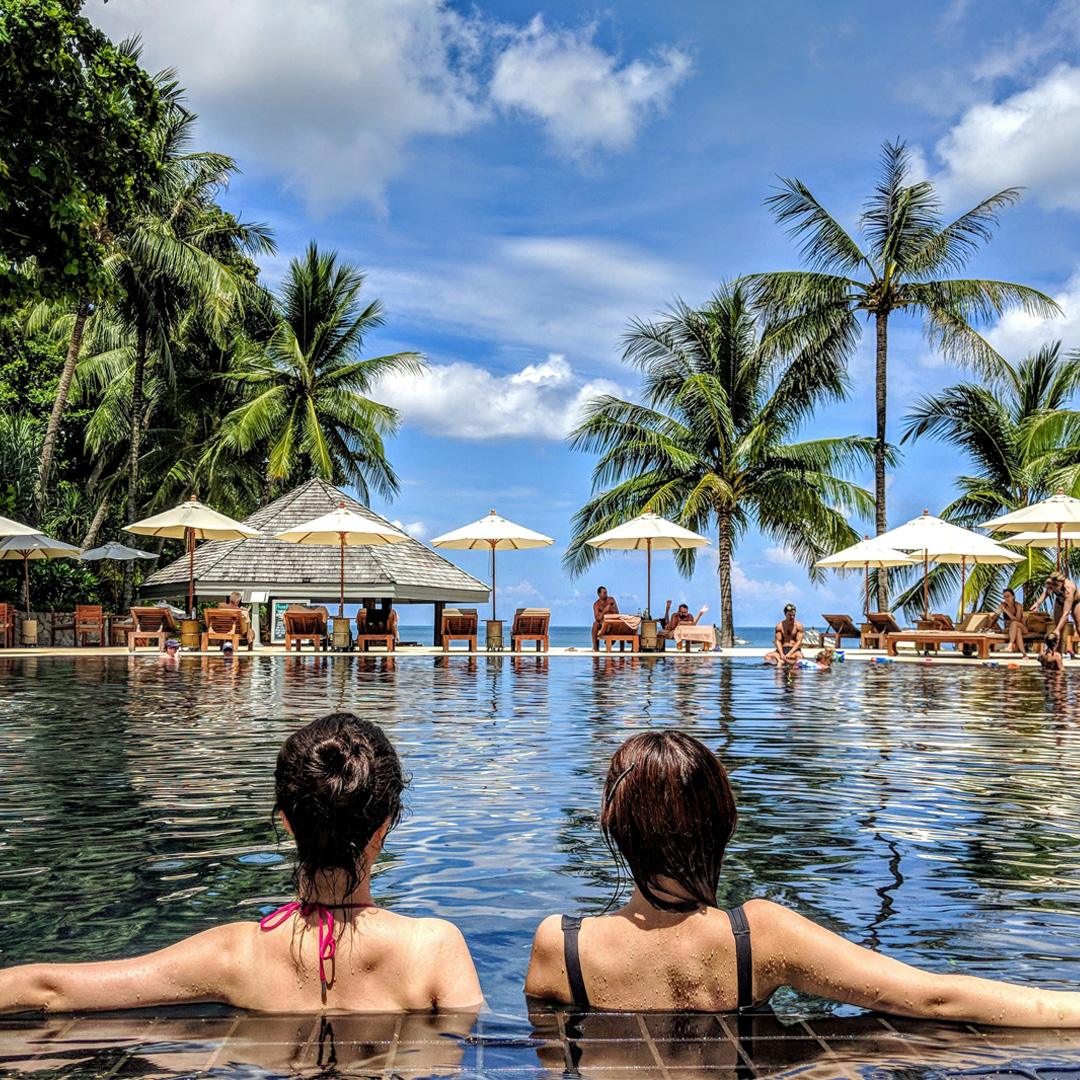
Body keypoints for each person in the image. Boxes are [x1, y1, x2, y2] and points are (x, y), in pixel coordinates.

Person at [525, 730, 1080, 1023]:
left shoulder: (562, 945)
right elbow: (933, 1000)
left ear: (615, 828)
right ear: (722, 822)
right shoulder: (758, 935)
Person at [0, 713, 482, 1014]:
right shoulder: (434, 950)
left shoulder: (235, 954)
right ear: (386, 825)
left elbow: (48, 988)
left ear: (288, 823)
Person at [1029, 572, 1080, 648]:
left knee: (1078, 625)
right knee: (1058, 626)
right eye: (1053, 585)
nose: (1054, 588)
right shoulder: (1051, 583)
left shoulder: (1069, 589)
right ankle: (1058, 651)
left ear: (1062, 583)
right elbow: (1046, 593)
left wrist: (1057, 630)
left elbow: (1066, 613)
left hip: (1075, 602)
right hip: (1060, 601)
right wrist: (1037, 603)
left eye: (1056, 585)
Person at [993, 588, 1028, 658]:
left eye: (1008, 596)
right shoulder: (1003, 605)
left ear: (1013, 596)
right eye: (1004, 597)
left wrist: (1005, 611)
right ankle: (1024, 655)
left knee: (1014, 623)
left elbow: (1017, 619)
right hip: (1009, 629)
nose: (1006, 598)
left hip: (1022, 627)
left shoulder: (1018, 606)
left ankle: (1010, 645)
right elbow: (996, 617)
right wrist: (989, 627)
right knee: (1018, 631)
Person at [591, 586, 619, 651]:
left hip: (612, 623)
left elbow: (617, 613)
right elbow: (597, 618)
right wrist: (604, 611)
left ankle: (611, 641)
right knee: (595, 624)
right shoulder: (596, 604)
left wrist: (612, 611)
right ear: (599, 594)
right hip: (602, 623)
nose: (606, 595)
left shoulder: (611, 600)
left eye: (606, 593)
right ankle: (595, 647)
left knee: (618, 624)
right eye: (604, 593)